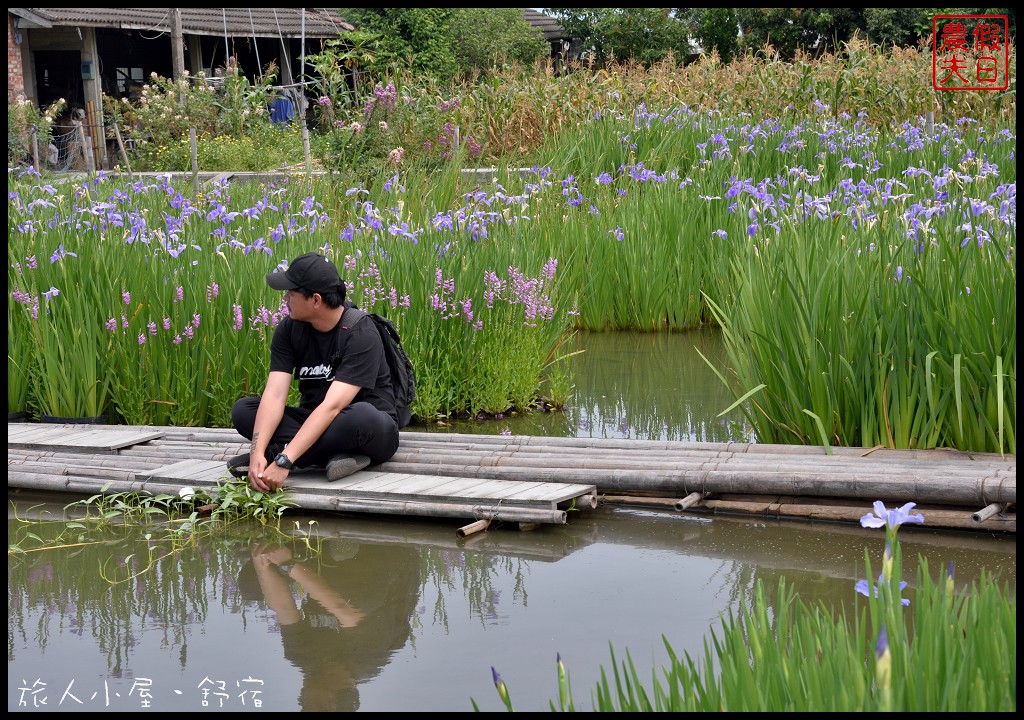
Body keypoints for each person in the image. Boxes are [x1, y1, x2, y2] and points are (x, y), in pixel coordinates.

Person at [228, 252, 400, 492]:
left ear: (316, 300)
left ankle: (288, 456)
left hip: (365, 427)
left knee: (361, 417)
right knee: (244, 411)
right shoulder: (289, 329)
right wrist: (257, 451)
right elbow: (275, 395)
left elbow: (333, 407)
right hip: (313, 420)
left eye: (291, 293)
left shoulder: (360, 333)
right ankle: (331, 456)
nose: (285, 298)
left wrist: (285, 459)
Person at [239, 539, 421, 710]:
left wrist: (262, 561)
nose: (300, 697)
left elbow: (284, 609)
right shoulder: (371, 655)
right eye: (306, 704)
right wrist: (288, 564)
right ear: (329, 705)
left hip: (333, 573)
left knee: (252, 585)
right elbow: (343, 608)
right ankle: (345, 541)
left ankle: (319, 544)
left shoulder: (301, 657)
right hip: (392, 559)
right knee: (362, 602)